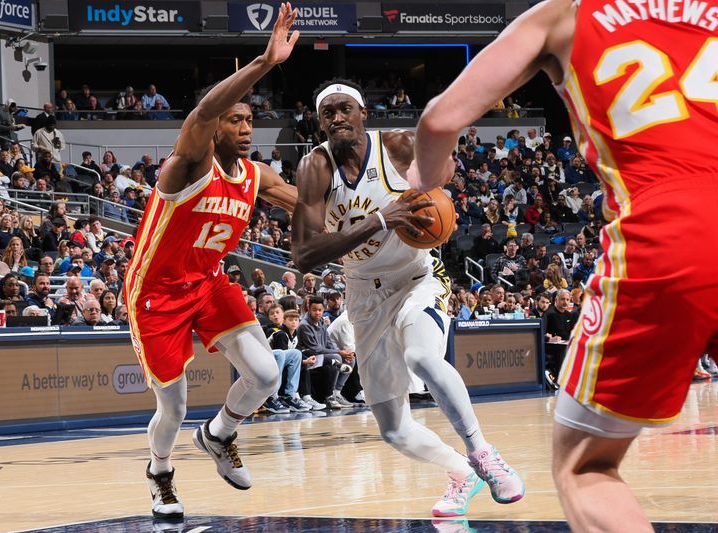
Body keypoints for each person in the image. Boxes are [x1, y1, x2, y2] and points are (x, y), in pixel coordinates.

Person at [411, 0, 718, 530]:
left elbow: (440, 119)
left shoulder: (564, 15)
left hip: (675, 230)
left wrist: (425, 180)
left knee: (586, 465)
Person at [291, 78, 524, 517]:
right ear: (318, 121)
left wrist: (436, 185)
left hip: (417, 276)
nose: (337, 118)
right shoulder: (315, 168)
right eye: (328, 113)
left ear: (364, 114)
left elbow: (443, 169)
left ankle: (482, 453)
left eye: (346, 109)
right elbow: (303, 254)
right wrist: (381, 218)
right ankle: (461, 473)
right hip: (363, 294)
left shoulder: (396, 146)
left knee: (421, 357)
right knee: (395, 430)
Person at [123, 5, 300, 520]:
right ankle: (159, 471)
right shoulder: (187, 164)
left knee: (265, 375)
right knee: (172, 407)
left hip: (207, 283)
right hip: (155, 292)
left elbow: (306, 204)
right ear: (217, 124)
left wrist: (381, 210)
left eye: (250, 119)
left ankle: (220, 433)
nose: (245, 127)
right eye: (235, 119)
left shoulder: (255, 175)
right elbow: (200, 114)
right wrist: (265, 62)